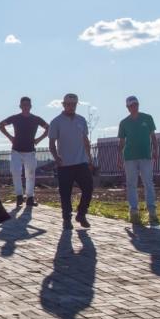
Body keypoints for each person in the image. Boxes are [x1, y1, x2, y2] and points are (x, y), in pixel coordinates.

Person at [49, 93, 94, 229]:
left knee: (88, 188)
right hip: (65, 164)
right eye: (68, 104)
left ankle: (81, 214)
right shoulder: (56, 122)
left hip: (81, 162)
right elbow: (51, 144)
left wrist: (89, 157)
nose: (71, 107)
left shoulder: (81, 120)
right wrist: (57, 158)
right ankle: (66, 219)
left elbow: (85, 140)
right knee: (65, 193)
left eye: (73, 104)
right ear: (63, 105)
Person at [0, 96, 49, 207]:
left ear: (30, 106)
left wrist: (39, 139)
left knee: (30, 174)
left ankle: (30, 198)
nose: (26, 107)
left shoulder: (36, 119)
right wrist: (10, 137)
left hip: (30, 151)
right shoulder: (15, 118)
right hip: (16, 150)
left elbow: (48, 128)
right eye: (24, 105)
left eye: (28, 105)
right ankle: (19, 197)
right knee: (15, 172)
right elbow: (0, 125)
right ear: (20, 106)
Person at [118, 95, 159, 225]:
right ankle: (134, 211)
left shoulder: (147, 118)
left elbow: (153, 136)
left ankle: (152, 211)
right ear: (127, 107)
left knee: (148, 182)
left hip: (145, 155)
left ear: (138, 105)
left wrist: (155, 150)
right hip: (129, 157)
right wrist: (120, 157)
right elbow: (122, 142)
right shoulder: (124, 123)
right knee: (131, 184)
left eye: (135, 105)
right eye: (130, 106)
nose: (133, 107)